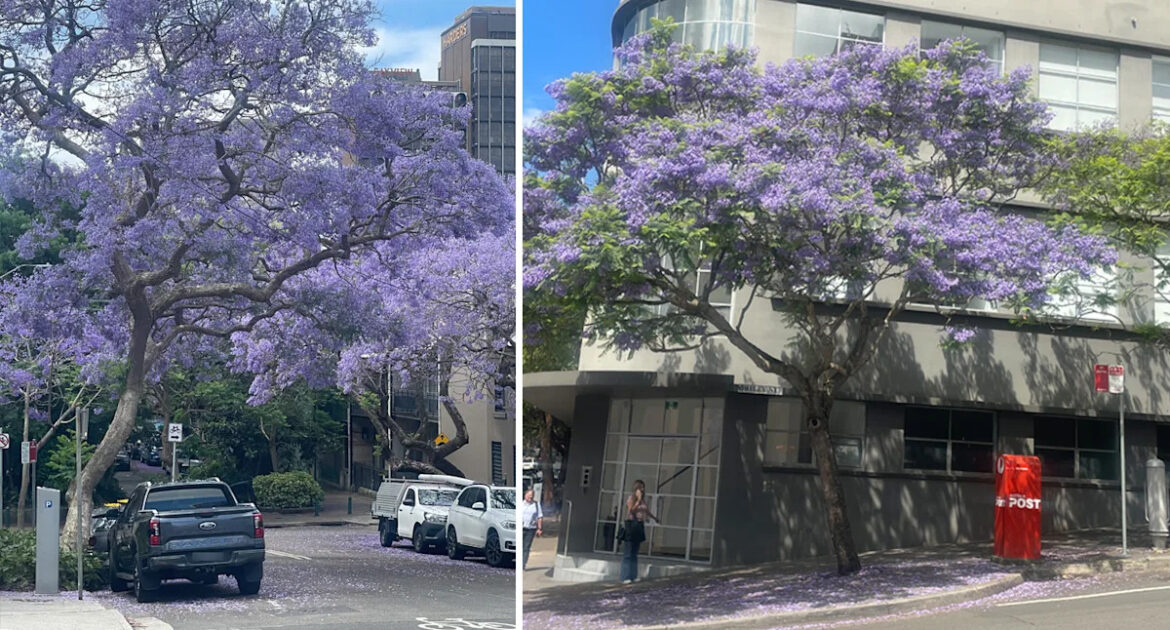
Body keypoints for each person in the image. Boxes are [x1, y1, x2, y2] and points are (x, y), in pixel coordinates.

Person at [620, 479, 658, 584]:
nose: (642, 490)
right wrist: (638, 499)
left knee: (635, 552)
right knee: (628, 552)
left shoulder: (643, 501)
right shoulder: (631, 498)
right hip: (631, 525)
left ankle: (633, 575)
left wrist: (654, 518)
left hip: (639, 526)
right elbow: (631, 509)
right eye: (640, 488)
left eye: (643, 488)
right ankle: (625, 576)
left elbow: (646, 511)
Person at [521, 488, 543, 569]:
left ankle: (523, 564)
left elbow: (539, 517)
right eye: (529, 496)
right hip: (521, 528)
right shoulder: (520, 504)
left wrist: (539, 528)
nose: (531, 498)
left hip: (531, 529)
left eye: (532, 496)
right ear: (525, 495)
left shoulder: (536, 505)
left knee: (526, 547)